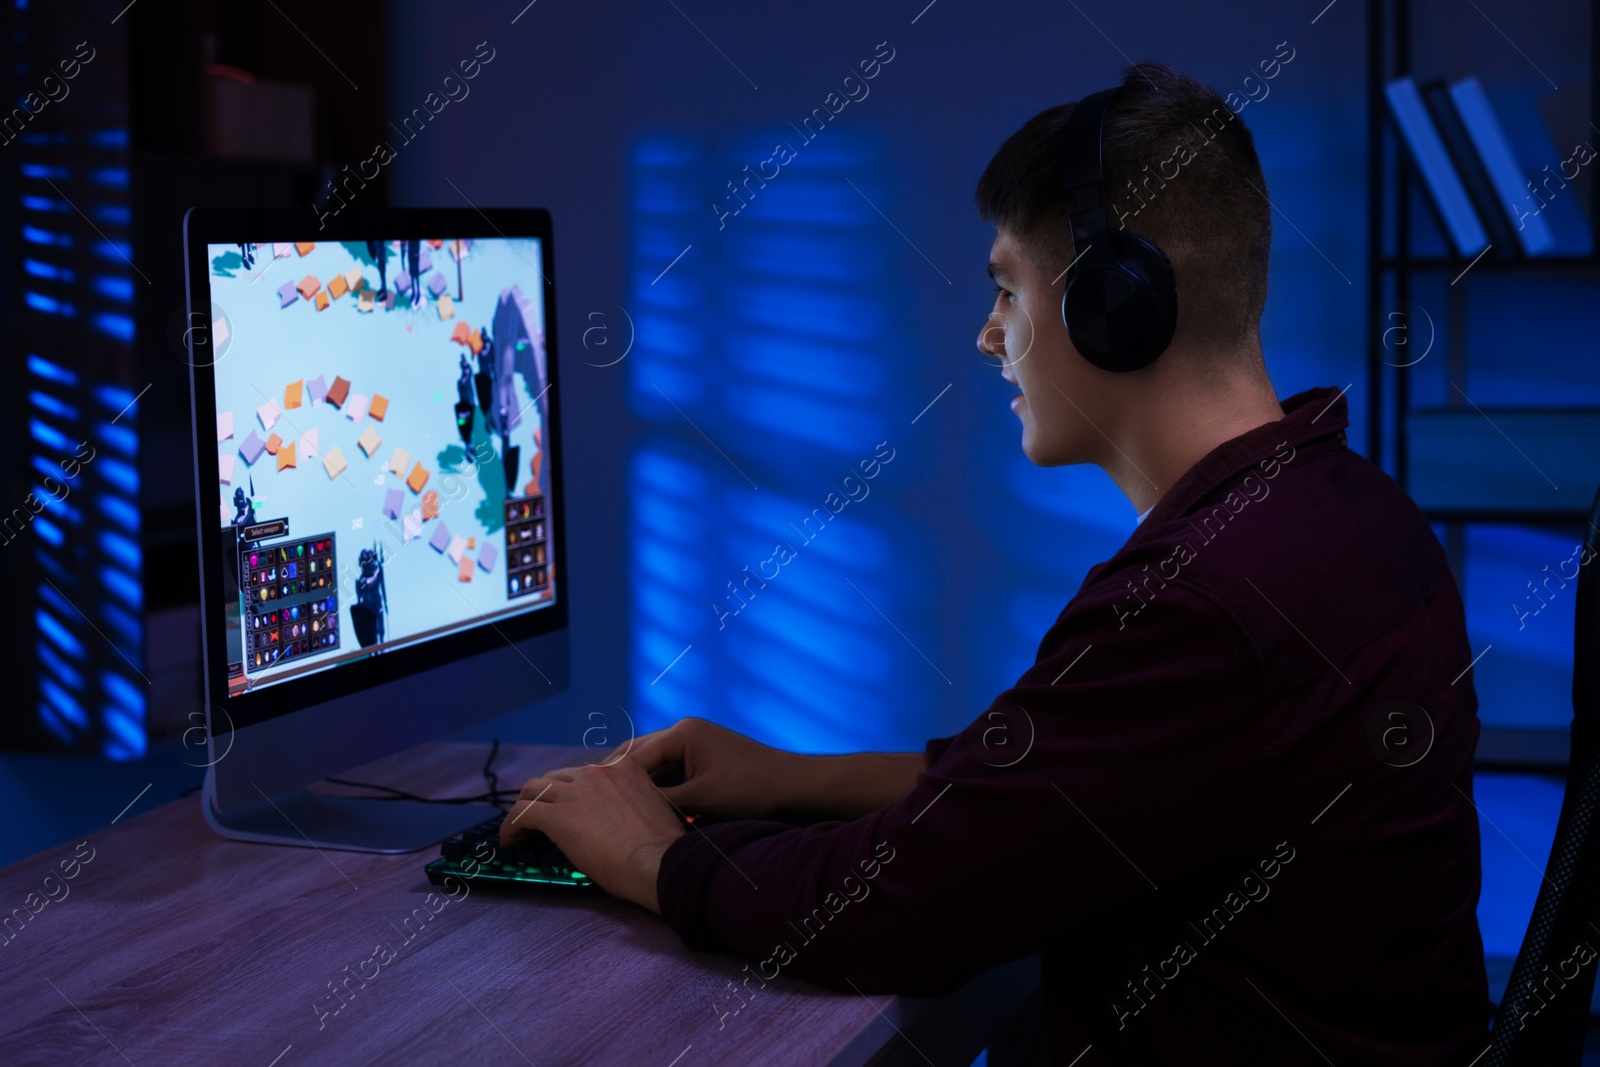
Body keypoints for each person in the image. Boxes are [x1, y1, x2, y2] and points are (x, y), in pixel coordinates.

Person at [500, 63, 1490, 1065]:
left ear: (1114, 304)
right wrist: (793, 777)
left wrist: (645, 852)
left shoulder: (1207, 600)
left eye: (1007, 288)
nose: (986, 336)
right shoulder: (1347, 510)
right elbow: (1066, 789)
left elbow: (889, 909)